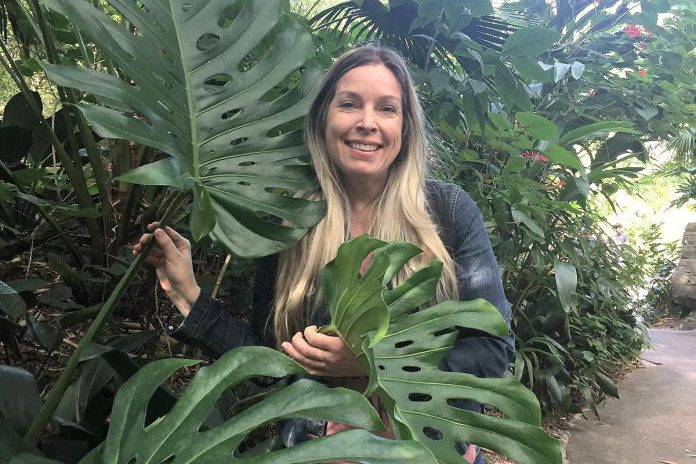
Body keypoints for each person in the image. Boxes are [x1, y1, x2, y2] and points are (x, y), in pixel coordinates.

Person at [133, 46, 514, 463]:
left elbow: (493, 351)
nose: (367, 123)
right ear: (323, 118)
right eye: (349, 104)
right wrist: (186, 292)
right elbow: (269, 362)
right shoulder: (291, 221)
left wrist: (373, 364)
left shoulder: (449, 212)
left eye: (387, 109)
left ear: (405, 127)